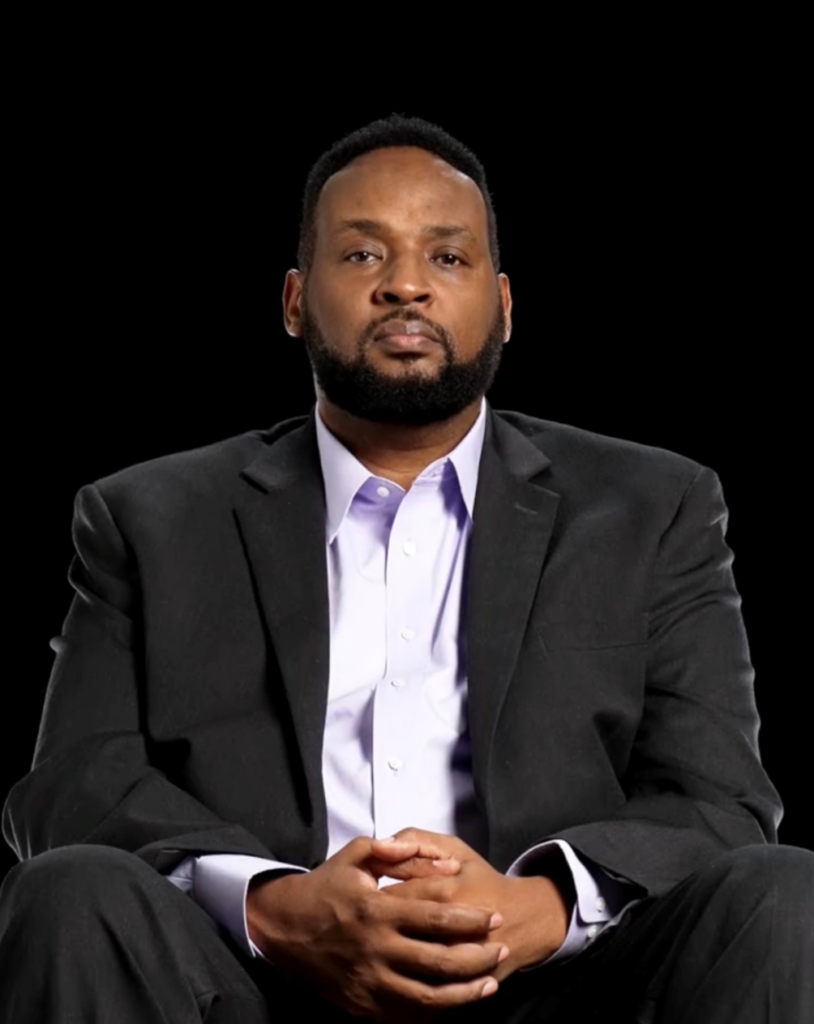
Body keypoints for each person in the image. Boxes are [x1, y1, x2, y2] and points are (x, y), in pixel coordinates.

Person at [0, 114, 811, 1023]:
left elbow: (721, 801)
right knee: (71, 894)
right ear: (294, 301)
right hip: (257, 985)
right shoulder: (146, 520)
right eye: (361, 257)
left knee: (784, 893)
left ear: (505, 305)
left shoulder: (655, 506)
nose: (407, 287)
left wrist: (537, 907)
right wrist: (274, 907)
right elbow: (70, 788)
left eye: (448, 259)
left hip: (561, 983)